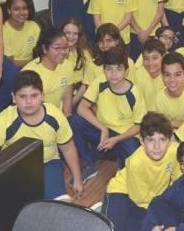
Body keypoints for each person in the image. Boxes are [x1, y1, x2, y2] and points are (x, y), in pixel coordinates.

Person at [0, 70, 84, 200]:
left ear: (42, 96)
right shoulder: (4, 119)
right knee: (14, 202)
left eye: (34, 95)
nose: (29, 101)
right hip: (14, 166)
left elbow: (68, 148)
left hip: (48, 163)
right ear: (14, 98)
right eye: (22, 96)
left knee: (56, 202)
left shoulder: (55, 115)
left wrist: (78, 179)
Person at [70, 47, 146, 178]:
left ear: (126, 71)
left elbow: (139, 126)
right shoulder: (100, 82)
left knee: (133, 161)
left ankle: (114, 156)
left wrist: (116, 139)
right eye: (109, 69)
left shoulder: (134, 93)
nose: (114, 74)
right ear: (104, 70)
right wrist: (103, 128)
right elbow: (81, 108)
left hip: (124, 136)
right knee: (73, 121)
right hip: (103, 132)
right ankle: (89, 164)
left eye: (119, 69)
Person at [103, 112, 181, 231]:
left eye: (162, 139)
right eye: (151, 140)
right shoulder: (135, 162)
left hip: (150, 196)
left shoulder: (175, 151)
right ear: (142, 142)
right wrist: (162, 206)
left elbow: (178, 182)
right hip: (122, 191)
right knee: (110, 228)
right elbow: (140, 199)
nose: (157, 146)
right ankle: (107, 209)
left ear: (170, 141)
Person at [22, 28, 73, 114]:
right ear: (44, 49)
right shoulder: (29, 73)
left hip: (59, 116)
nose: (63, 52)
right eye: (57, 48)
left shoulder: (67, 65)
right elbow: (29, 106)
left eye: (65, 48)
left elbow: (67, 98)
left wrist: (66, 119)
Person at [82, 23, 136, 87]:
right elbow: (89, 90)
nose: (105, 45)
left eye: (109, 41)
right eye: (101, 41)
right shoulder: (92, 64)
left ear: (117, 41)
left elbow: (131, 87)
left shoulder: (129, 62)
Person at [61, 17, 93, 113]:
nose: (71, 37)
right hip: (60, 89)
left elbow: (86, 83)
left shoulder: (84, 53)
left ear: (79, 35)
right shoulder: (56, 52)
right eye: (67, 33)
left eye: (75, 33)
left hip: (79, 92)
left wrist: (72, 102)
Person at [2, 0, 40, 68]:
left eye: (25, 8)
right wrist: (35, 62)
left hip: (33, 67)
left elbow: (43, 50)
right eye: (16, 9)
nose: (22, 12)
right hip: (12, 69)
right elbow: (10, 63)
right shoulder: (2, 30)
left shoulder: (33, 26)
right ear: (9, 10)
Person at [134, 38, 166, 112]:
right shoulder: (138, 74)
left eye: (155, 58)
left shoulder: (169, 75)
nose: (150, 63)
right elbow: (138, 103)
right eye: (146, 58)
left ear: (163, 57)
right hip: (145, 116)